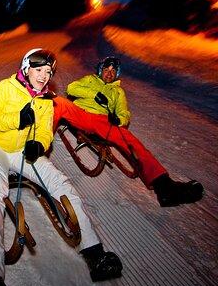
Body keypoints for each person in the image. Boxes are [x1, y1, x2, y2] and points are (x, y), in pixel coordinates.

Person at [0, 49, 123, 286]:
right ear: (26, 68)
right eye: (38, 70)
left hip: (22, 151)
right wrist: (16, 119)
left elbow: (44, 133)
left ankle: (95, 253)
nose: (43, 76)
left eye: (48, 72)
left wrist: (39, 146)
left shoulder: (45, 100)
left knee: (59, 182)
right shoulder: (5, 88)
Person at [53, 56, 204, 207]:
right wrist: (94, 95)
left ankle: (164, 186)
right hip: (80, 113)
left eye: (113, 72)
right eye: (106, 70)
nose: (109, 74)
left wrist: (118, 120)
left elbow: (124, 113)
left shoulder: (118, 92)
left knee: (129, 140)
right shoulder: (90, 80)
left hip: (102, 121)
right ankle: (39, 141)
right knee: (56, 102)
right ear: (101, 70)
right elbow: (71, 88)